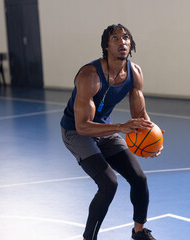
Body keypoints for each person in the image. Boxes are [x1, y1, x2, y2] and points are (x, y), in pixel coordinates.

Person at [60, 24, 162, 240]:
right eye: (115, 38)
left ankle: (139, 231)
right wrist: (120, 127)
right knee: (108, 183)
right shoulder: (90, 75)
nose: (122, 41)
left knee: (139, 178)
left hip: (106, 130)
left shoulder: (135, 73)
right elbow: (83, 126)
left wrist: (154, 139)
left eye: (125, 37)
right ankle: (89, 237)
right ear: (106, 45)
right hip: (76, 132)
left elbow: (141, 116)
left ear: (131, 43)